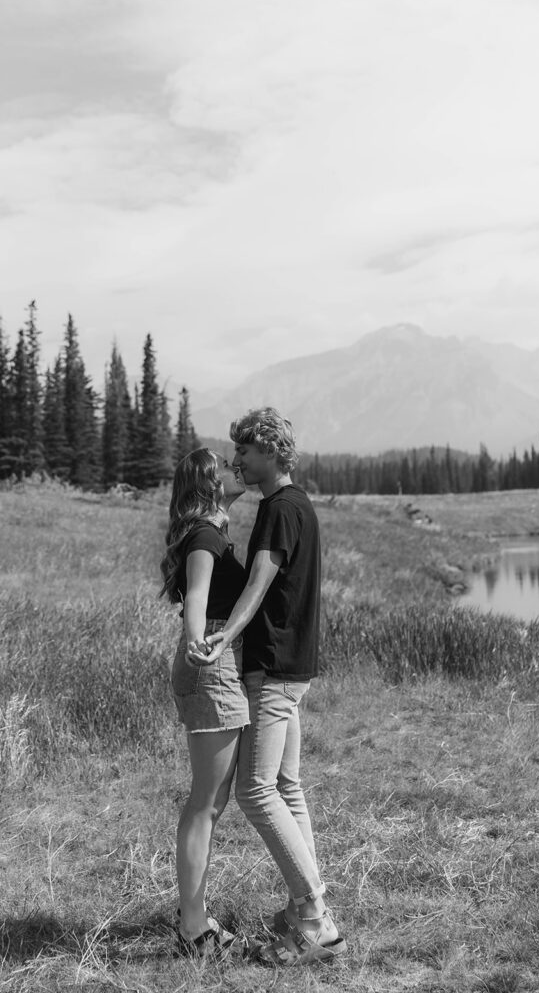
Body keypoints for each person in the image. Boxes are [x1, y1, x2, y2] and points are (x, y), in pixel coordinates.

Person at [193, 407, 347, 966]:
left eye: (246, 452)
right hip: (293, 664)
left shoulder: (279, 510)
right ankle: (306, 909)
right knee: (286, 784)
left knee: (255, 791)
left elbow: (259, 582)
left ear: (272, 451)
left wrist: (224, 635)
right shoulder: (295, 503)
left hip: (273, 665)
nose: (238, 460)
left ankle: (313, 917)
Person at [159, 447, 248, 959]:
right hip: (210, 660)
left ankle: (194, 920)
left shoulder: (210, 529)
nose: (237, 474)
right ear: (211, 485)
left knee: (212, 802)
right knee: (205, 803)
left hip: (214, 657)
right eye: (228, 471)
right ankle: (193, 929)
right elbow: (197, 596)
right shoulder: (206, 537)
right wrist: (198, 644)